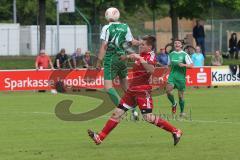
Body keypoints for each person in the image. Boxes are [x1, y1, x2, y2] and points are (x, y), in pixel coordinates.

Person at [88, 35, 182, 146]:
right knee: (117, 113)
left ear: (149, 47)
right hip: (132, 90)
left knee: (148, 117)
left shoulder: (151, 56)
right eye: (140, 44)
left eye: (143, 45)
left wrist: (139, 58)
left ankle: (175, 131)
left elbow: (151, 70)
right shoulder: (141, 54)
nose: (140, 46)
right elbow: (135, 57)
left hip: (143, 91)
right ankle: (100, 137)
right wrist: (126, 57)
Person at [96, 7, 140, 119]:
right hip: (122, 58)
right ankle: (134, 110)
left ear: (107, 16)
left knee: (108, 87)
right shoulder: (125, 26)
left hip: (111, 59)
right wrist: (142, 42)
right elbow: (132, 42)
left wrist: (99, 61)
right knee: (125, 86)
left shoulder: (107, 27)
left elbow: (104, 45)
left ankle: (122, 108)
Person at [166, 39, 193, 117]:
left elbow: (191, 65)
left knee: (181, 96)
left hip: (181, 78)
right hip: (172, 77)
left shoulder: (185, 55)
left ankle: (182, 112)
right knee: (168, 91)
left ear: (181, 45)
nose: (177, 44)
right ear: (174, 45)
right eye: (175, 43)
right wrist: (164, 73)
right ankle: (174, 103)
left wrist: (184, 65)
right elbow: (168, 66)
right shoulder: (171, 54)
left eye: (178, 43)